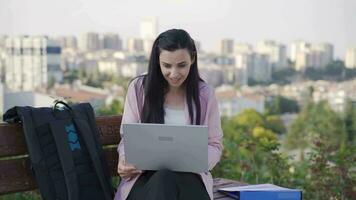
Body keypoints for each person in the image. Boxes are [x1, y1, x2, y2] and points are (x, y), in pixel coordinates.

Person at [114, 29, 223, 200]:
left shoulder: (205, 95)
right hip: (144, 181)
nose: (174, 74)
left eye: (181, 65)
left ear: (192, 60)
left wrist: (199, 161)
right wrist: (125, 160)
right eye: (167, 65)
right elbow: (127, 138)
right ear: (157, 61)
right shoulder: (139, 89)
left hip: (189, 180)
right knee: (163, 180)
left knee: (167, 179)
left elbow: (214, 145)